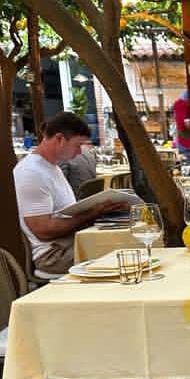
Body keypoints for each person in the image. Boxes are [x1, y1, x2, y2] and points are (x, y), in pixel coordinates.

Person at [13, 112, 126, 277]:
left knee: (129, 244)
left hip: (69, 243)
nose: (80, 152)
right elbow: (43, 230)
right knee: (125, 256)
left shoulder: (51, 167)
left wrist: (102, 210)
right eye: (77, 145)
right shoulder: (31, 172)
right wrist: (92, 213)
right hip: (53, 255)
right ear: (59, 139)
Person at [172, 91, 190, 161]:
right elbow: (186, 124)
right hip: (186, 141)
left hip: (183, 141)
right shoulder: (181, 104)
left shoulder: (179, 104)